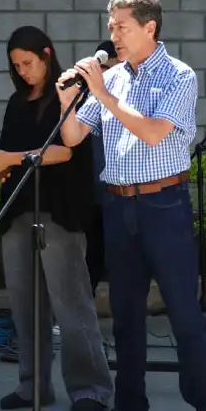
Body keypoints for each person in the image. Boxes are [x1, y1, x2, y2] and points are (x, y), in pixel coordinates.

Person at [56, 0, 206, 411]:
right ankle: (131, 403)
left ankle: (205, 401)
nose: (114, 35)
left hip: (163, 204)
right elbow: (74, 137)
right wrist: (67, 101)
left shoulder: (179, 76)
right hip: (118, 206)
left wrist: (104, 94)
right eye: (111, 27)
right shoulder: (109, 78)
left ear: (150, 27)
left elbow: (151, 132)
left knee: (184, 313)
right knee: (126, 319)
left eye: (122, 27)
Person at [0, 25, 113, 411]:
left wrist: (14, 159)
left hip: (60, 211)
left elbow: (65, 151)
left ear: (47, 54)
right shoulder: (16, 103)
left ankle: (91, 390)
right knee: (24, 306)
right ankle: (32, 385)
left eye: (28, 62)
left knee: (71, 305)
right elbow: (10, 152)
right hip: (20, 209)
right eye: (16, 65)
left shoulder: (69, 93)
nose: (23, 71)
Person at [85, 40, 121, 296]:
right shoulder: (85, 98)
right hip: (89, 194)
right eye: (105, 69)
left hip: (122, 194)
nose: (111, 75)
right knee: (89, 259)